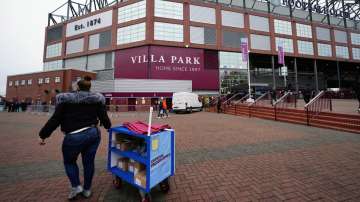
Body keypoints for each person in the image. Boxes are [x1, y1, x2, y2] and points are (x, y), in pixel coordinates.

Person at [38, 76, 111, 200]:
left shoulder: (65, 100)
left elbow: (55, 119)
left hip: (74, 136)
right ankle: (87, 189)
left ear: (77, 87)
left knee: (69, 162)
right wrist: (108, 127)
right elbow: (103, 116)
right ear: (89, 87)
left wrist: (43, 135)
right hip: (93, 133)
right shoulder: (97, 100)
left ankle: (76, 186)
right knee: (88, 162)